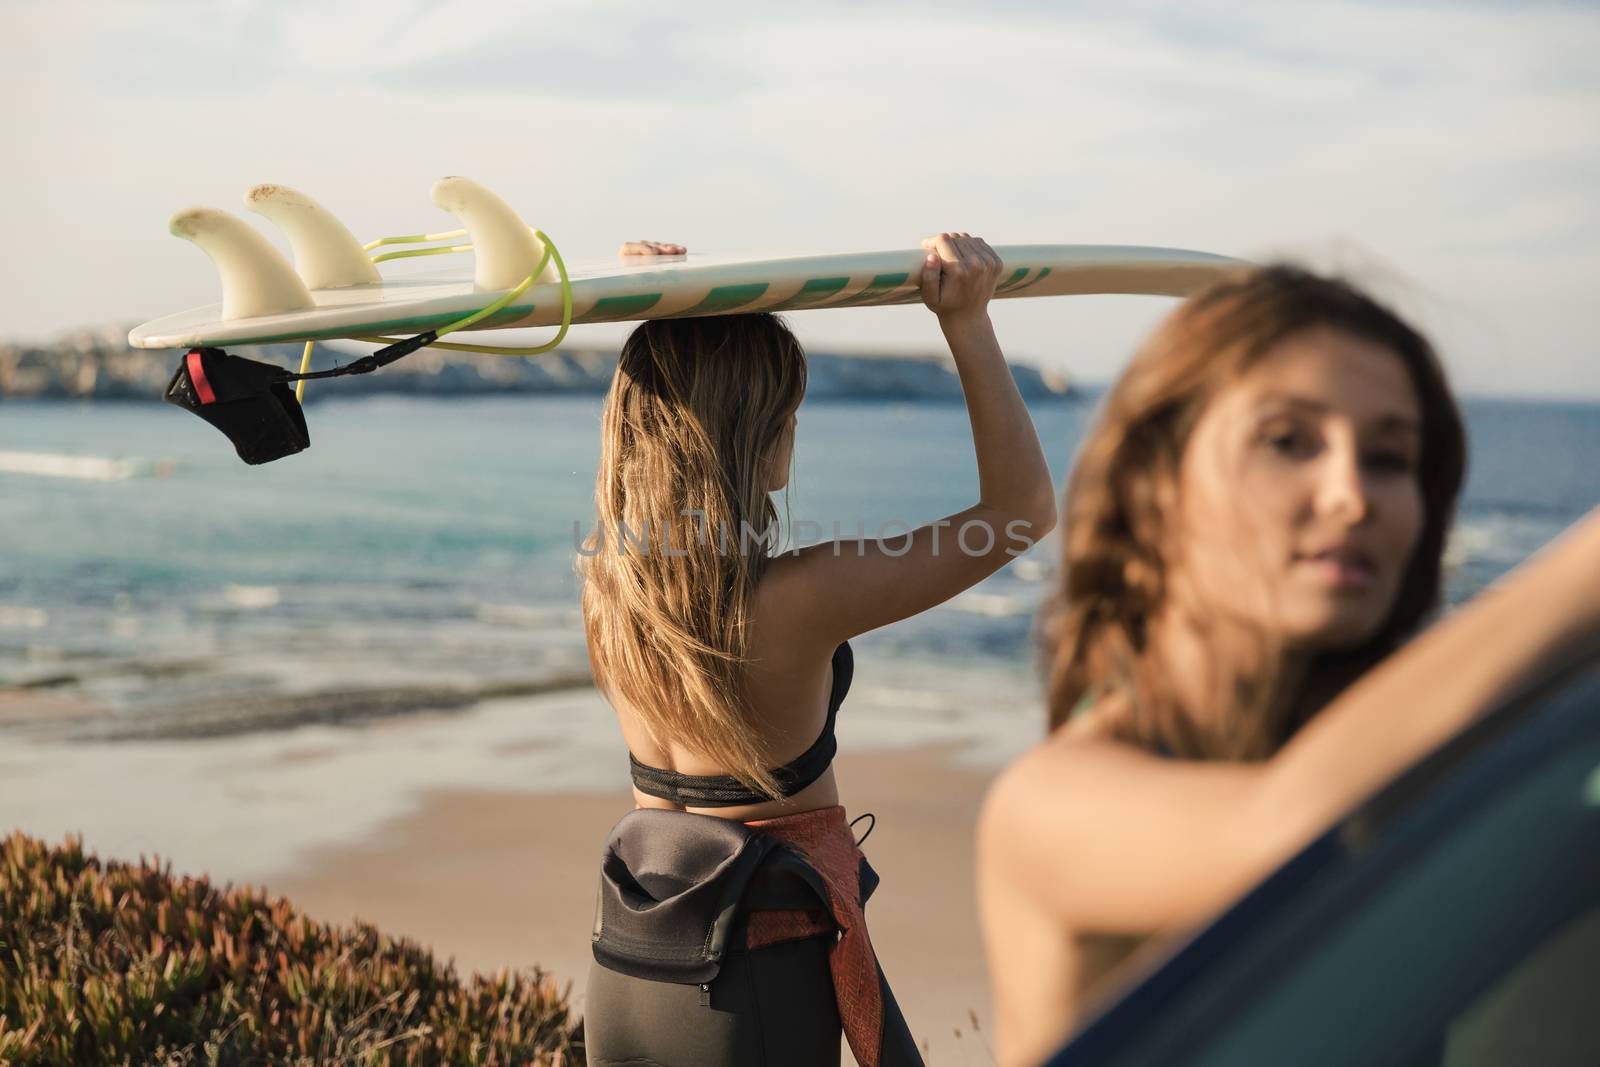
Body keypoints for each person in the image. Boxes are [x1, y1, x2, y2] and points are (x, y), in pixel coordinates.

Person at [975, 264, 1600, 1066]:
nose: (1352, 494)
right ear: (1154, 486)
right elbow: (1289, 838)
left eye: (1389, 456)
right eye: (1286, 440)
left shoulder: (1435, 771)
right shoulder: (1047, 803)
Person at [580, 234, 1056, 1067]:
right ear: (754, 435)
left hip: (628, 970)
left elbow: (668, 403)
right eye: (788, 415)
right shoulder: (800, 596)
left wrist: (671, 305)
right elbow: (1020, 510)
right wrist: (968, 324)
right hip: (751, 984)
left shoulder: (610, 588)